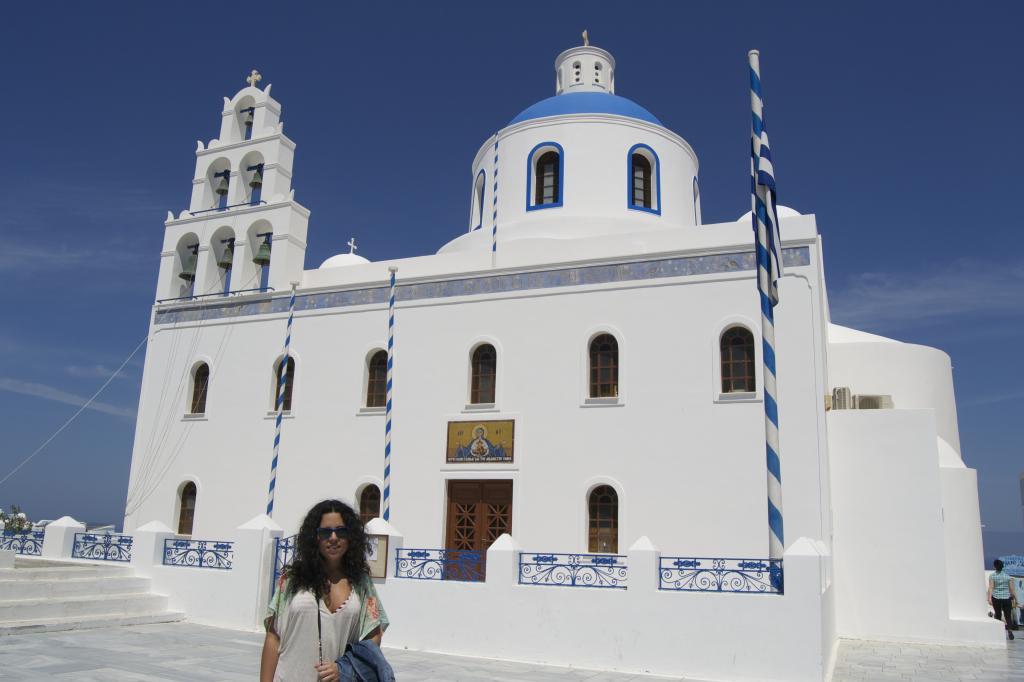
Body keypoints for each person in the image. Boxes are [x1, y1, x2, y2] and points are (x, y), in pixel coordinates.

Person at [260, 499, 390, 681]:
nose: (334, 538)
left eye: (341, 531)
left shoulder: (361, 583)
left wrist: (344, 666)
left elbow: (374, 634)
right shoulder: (291, 580)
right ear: (315, 537)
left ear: (350, 536)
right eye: (325, 532)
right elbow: (273, 638)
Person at [987, 559, 1016, 640]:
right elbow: (1011, 589)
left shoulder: (992, 576)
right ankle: (1009, 630)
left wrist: (989, 598)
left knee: (998, 614)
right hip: (1006, 598)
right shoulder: (1008, 577)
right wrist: (1014, 597)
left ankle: (998, 632)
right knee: (1008, 615)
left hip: (996, 598)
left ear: (995, 567)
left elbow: (991, 587)